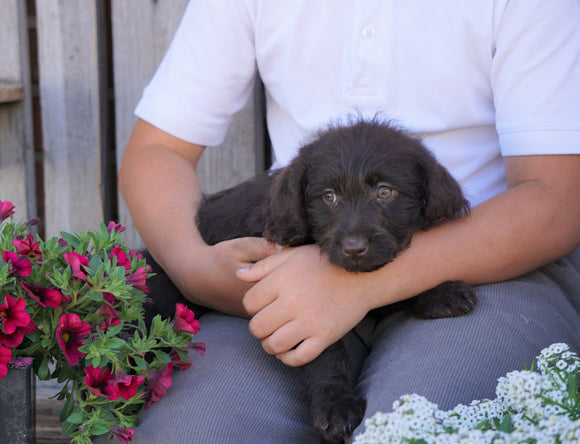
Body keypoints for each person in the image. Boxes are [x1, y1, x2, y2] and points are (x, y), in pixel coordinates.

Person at [109, 1, 580, 442]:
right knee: (199, 431)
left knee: (413, 427)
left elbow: (557, 198)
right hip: (295, 266)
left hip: (488, 266)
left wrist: (366, 285)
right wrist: (196, 270)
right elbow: (158, 150)